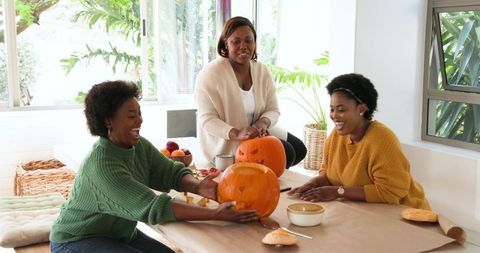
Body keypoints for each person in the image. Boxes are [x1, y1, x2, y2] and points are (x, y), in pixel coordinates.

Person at [50, 81, 258, 253]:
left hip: (118, 234)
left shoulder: (138, 146)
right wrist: (214, 214)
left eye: (139, 113)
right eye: (131, 116)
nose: (139, 120)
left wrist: (198, 186)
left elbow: (170, 172)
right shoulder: (103, 166)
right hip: (75, 240)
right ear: (108, 122)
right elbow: (152, 206)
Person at [288, 73, 430, 209]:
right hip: (365, 211)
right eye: (332, 109)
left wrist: (338, 191)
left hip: (404, 215)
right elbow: (328, 171)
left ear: (361, 109)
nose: (334, 116)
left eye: (341, 110)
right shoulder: (337, 136)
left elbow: (391, 192)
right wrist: (315, 183)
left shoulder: (382, 139)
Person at [195, 16, 306, 169]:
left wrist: (262, 123)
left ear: (254, 42)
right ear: (226, 43)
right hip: (229, 140)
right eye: (236, 41)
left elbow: (273, 110)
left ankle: (264, 172)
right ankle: (259, 174)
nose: (243, 46)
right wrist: (237, 133)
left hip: (256, 131)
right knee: (287, 153)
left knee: (299, 149)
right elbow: (207, 120)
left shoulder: (261, 70)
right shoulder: (209, 74)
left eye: (248, 40)